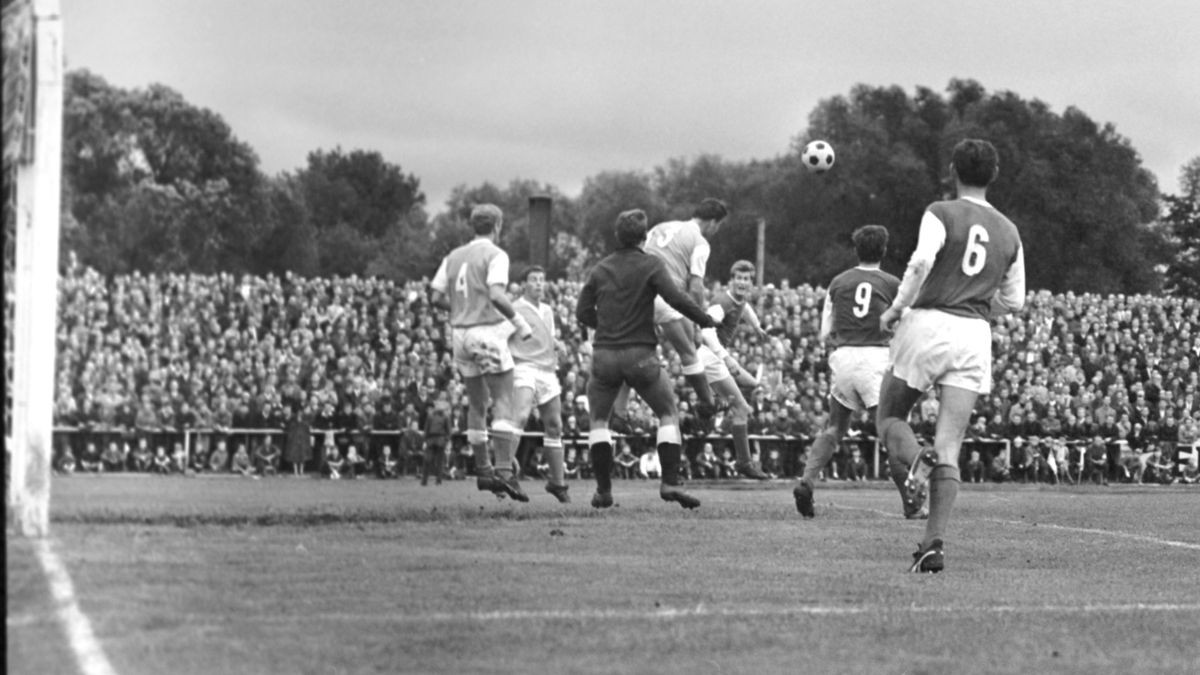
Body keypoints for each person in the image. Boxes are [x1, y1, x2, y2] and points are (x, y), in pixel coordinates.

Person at [874, 139, 1025, 573]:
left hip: (929, 323)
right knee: (950, 445)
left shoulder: (941, 212)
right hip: (975, 334)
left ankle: (917, 460)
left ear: (953, 168)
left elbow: (921, 262)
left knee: (889, 418)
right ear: (993, 174)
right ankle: (933, 543)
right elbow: (1014, 302)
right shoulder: (1010, 231)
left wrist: (896, 308)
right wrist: (979, 305)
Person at [576, 209, 719, 509]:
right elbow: (676, 298)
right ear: (643, 238)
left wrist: (604, 327)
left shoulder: (600, 269)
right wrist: (703, 319)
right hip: (640, 355)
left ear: (617, 237)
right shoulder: (651, 264)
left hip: (604, 356)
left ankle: (603, 490)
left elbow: (582, 313)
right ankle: (669, 482)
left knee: (599, 420)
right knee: (668, 413)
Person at [794, 225, 902, 518]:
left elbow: (824, 331)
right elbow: (905, 323)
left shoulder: (838, 282)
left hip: (843, 358)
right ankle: (911, 501)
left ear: (856, 250)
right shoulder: (892, 283)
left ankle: (807, 479)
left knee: (835, 427)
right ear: (884, 250)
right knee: (891, 429)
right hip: (876, 359)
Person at [430, 204, 533, 502]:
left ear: (472, 226)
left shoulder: (453, 256)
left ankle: (484, 470)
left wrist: (461, 308)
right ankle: (504, 471)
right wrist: (519, 322)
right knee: (503, 401)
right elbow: (497, 295)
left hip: (459, 335)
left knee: (477, 404)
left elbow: (435, 296)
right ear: (497, 225)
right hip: (485, 333)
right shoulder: (495, 255)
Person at [608, 199, 728, 433]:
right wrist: (697, 322)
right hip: (661, 290)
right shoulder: (700, 242)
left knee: (633, 354)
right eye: (719, 226)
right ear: (713, 222)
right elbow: (696, 287)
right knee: (689, 350)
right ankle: (706, 404)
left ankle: (619, 414)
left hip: (631, 289)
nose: (716, 231)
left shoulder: (662, 226)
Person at [695, 260, 774, 480]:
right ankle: (743, 461)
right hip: (709, 355)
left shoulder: (739, 300)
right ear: (732, 280)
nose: (742, 282)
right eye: (738, 278)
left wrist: (757, 326)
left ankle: (714, 405)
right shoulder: (721, 302)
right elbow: (707, 332)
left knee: (752, 385)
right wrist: (727, 358)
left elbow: (745, 308)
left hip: (713, 357)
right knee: (741, 408)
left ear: (751, 282)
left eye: (746, 279)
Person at [508, 266, 571, 502]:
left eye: (542, 280)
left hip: (547, 370)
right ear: (524, 284)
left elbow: (547, 336)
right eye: (533, 280)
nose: (538, 284)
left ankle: (557, 483)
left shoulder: (547, 310)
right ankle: (505, 473)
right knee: (521, 416)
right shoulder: (514, 309)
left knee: (555, 425)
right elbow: (503, 336)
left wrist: (558, 344)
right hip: (523, 366)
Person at [422, 401, 451, 486]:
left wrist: (446, 440)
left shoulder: (446, 417)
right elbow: (426, 429)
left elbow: (449, 431)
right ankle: (424, 480)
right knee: (427, 460)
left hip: (440, 440)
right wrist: (425, 440)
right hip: (431, 439)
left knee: (439, 461)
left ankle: (438, 480)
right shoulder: (430, 416)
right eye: (438, 405)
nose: (439, 407)